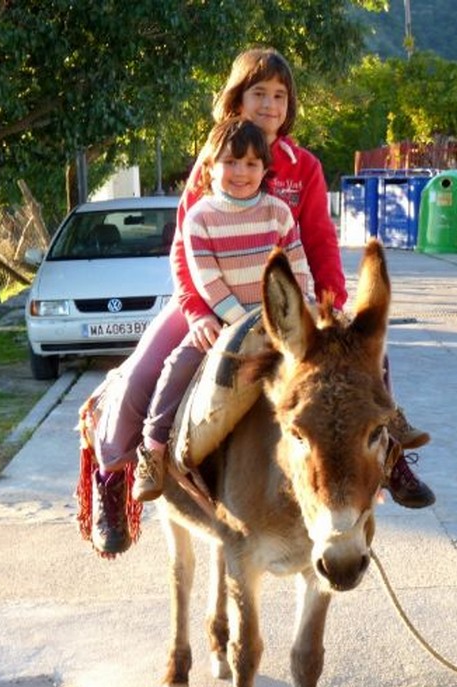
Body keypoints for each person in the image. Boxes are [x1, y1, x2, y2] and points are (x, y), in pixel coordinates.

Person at [85, 48, 433, 555]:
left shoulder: (303, 167)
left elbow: (316, 241)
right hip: (209, 300)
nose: (269, 105)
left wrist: (329, 311)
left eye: (279, 96)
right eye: (258, 94)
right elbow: (185, 250)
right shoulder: (212, 162)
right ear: (236, 100)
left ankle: (391, 453)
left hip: (288, 310)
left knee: (368, 358)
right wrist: (199, 312)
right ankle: (117, 476)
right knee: (144, 371)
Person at [131, 117, 312, 499]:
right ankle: (153, 447)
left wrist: (300, 313)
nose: (241, 173)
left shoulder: (278, 212)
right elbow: (207, 280)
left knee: (347, 349)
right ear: (210, 167)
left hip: (279, 321)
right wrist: (242, 323)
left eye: (251, 164)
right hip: (224, 321)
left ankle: (385, 437)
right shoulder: (200, 219)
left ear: (265, 169)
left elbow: (296, 268)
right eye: (230, 162)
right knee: (177, 365)